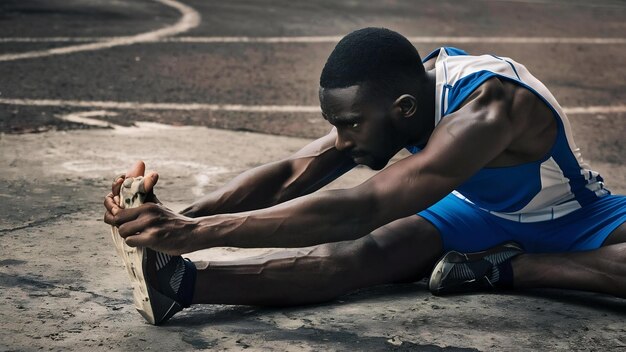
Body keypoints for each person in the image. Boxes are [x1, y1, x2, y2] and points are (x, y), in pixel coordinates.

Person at [104, 28, 626, 325]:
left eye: (349, 126)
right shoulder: (397, 98)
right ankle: (181, 286)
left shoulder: (490, 106)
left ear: (403, 109)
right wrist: (178, 217)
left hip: (574, 217)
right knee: (362, 258)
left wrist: (196, 236)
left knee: (367, 228)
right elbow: (296, 171)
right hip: (473, 212)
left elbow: (363, 207)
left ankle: (512, 269)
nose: (342, 141)